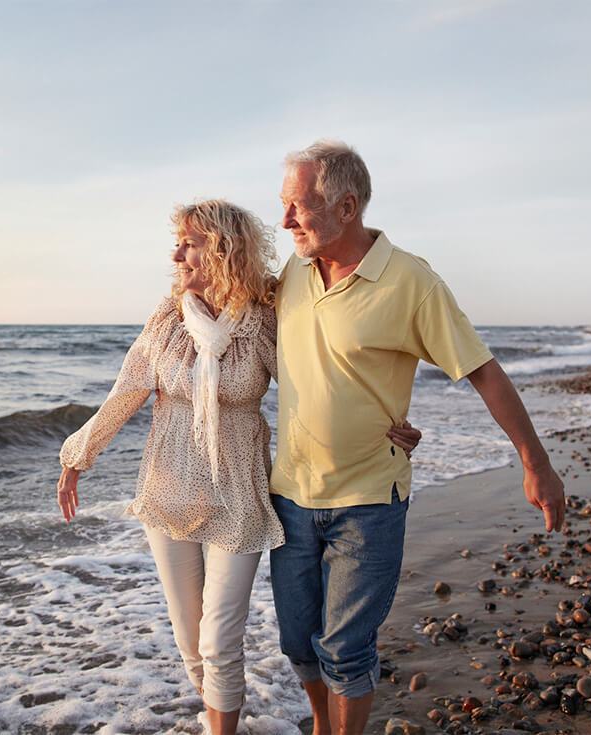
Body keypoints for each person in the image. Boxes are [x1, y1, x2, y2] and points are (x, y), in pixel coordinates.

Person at [56, 199, 421, 734]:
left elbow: (317, 387)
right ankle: (216, 720)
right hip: (168, 490)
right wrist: (77, 457)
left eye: (190, 242)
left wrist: (384, 423)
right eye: (177, 242)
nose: (176, 253)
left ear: (224, 249)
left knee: (219, 638)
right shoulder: (166, 320)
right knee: (190, 644)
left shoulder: (262, 323)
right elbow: (126, 390)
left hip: (239, 497)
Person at [270, 140, 567, 735]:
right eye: (283, 206)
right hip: (290, 497)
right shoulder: (292, 273)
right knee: (299, 644)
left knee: (346, 649)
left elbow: (481, 370)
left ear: (347, 205)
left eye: (297, 207)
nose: (285, 222)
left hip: (368, 501)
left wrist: (537, 464)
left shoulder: (411, 282)